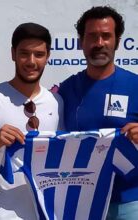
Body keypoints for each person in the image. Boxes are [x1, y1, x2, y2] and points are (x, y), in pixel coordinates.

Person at [0, 23, 64, 220]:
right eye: (24, 53)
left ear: (48, 56)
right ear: (13, 54)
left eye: (38, 54)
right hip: (3, 214)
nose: (31, 61)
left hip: (47, 213)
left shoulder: (56, 102)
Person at [58, 6, 138, 220]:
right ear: (81, 42)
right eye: (92, 36)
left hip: (129, 204)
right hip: (80, 204)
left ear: (117, 42)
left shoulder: (135, 85)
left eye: (106, 36)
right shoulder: (66, 90)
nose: (99, 43)